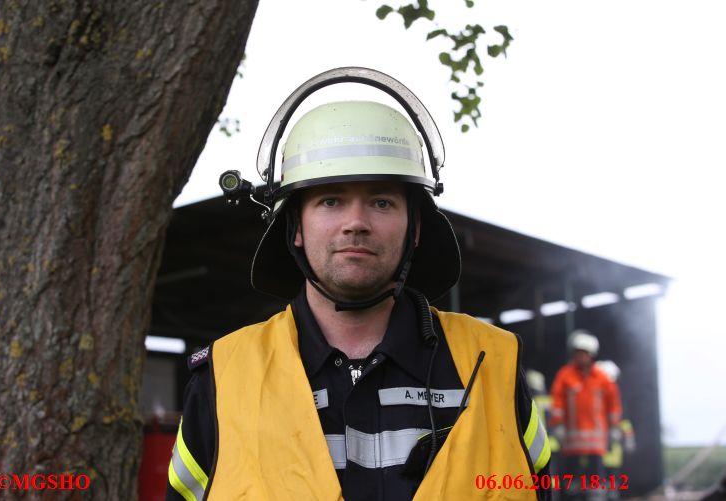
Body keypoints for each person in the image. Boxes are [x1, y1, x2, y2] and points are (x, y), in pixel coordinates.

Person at [166, 67, 552, 500]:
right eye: (331, 200)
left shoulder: (494, 364)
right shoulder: (223, 377)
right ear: (294, 227)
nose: (356, 223)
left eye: (382, 201)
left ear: (416, 229)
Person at [550, 331, 622, 501]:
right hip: (571, 442)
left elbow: (613, 406)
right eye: (577, 353)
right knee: (571, 482)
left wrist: (614, 429)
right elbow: (557, 403)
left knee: (595, 482)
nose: (579, 356)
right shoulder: (565, 375)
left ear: (591, 355)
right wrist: (558, 426)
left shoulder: (603, 378)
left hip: (596, 444)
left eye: (583, 353)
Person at [595, 360, 635, 501]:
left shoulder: (615, 397)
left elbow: (623, 419)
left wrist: (628, 437)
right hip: (596, 450)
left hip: (612, 450)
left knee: (611, 484)